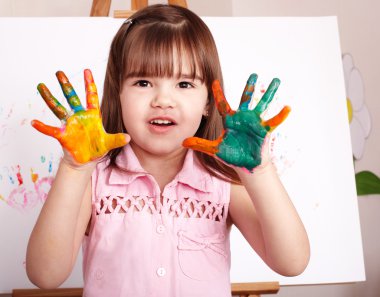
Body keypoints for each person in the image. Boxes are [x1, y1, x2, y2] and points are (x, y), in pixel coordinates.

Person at [26, 4, 310, 297]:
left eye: (184, 83)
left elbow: (291, 262)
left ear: (209, 103)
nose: (163, 99)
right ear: (118, 93)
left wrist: (260, 171)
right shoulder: (94, 177)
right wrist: (74, 169)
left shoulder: (222, 179)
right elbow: (45, 274)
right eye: (143, 82)